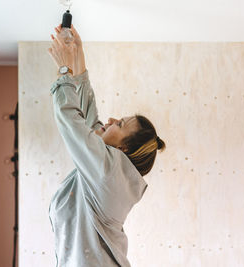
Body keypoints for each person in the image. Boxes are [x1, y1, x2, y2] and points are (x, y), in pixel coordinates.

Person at [47, 24, 165, 267]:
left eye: (119, 124)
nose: (111, 120)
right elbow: (90, 120)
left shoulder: (108, 171)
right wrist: (77, 54)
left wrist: (64, 69)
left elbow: (71, 119)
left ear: (122, 150)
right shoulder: (111, 170)